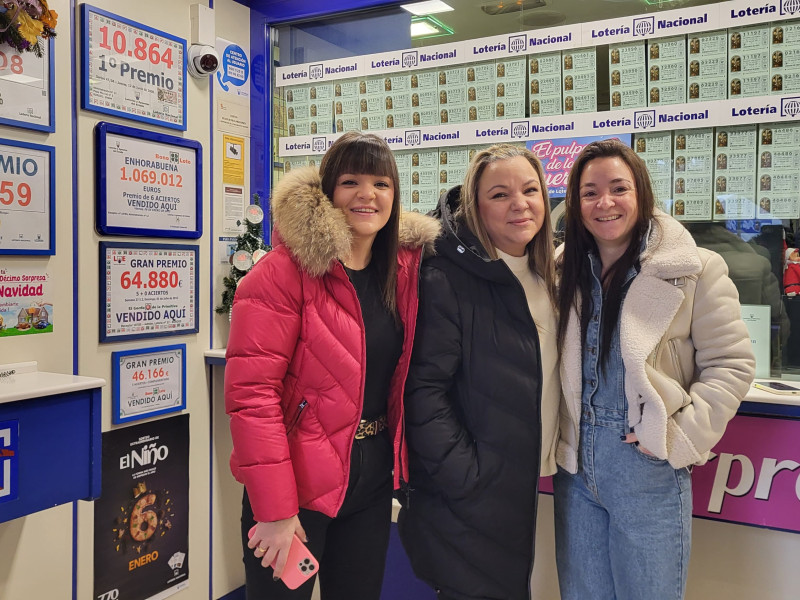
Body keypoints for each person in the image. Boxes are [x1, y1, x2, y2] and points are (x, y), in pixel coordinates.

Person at [225, 131, 440, 600]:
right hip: (297, 488)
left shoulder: (404, 270)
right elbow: (251, 395)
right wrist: (276, 510)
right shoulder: (282, 273)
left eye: (382, 183)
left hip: (371, 478)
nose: (368, 194)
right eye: (351, 181)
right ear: (327, 193)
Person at [553, 139, 755, 600]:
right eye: (589, 192)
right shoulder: (561, 270)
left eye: (618, 188)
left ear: (641, 192)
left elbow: (732, 363)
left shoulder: (695, 269)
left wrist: (678, 436)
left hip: (647, 470)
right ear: (575, 202)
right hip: (574, 469)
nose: (605, 202)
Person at [398, 144, 560, 600]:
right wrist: (467, 475)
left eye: (530, 190)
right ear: (474, 204)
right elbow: (422, 391)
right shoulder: (446, 275)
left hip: (520, 483)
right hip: (470, 497)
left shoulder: (546, 273)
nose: (519, 204)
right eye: (499, 194)